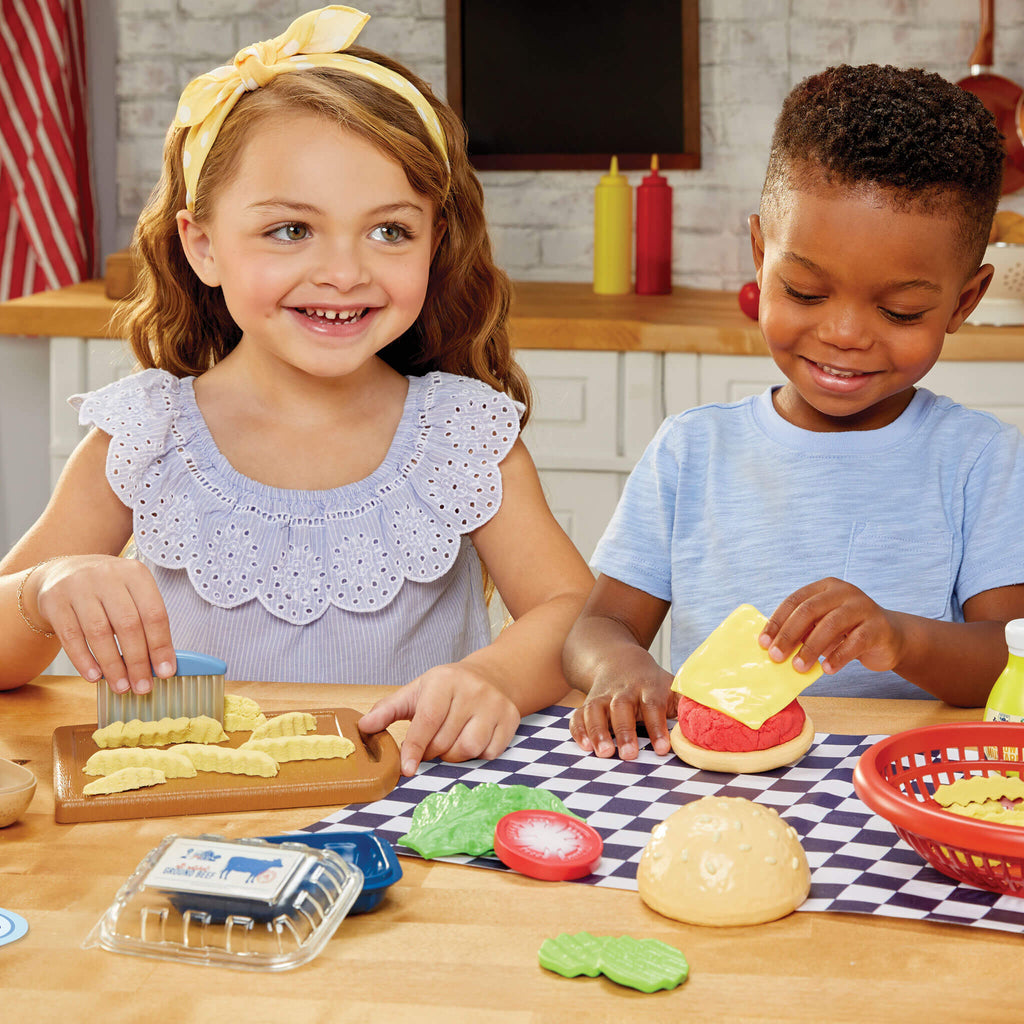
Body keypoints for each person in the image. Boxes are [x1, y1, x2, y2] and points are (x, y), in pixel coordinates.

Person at [0, 6, 593, 776]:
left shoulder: (465, 436)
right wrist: (43, 589)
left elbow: (577, 615)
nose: (343, 272)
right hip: (193, 823)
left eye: (389, 231)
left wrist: (495, 677)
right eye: (291, 230)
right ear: (203, 245)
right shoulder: (144, 436)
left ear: (434, 242)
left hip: (407, 813)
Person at [564, 63, 1024, 761]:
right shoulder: (693, 449)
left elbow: (1009, 659)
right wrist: (620, 666)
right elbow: (596, 626)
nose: (845, 334)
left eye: (900, 311)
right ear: (760, 257)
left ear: (964, 301)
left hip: (903, 786)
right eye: (805, 292)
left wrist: (900, 638)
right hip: (715, 784)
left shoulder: (979, 460)